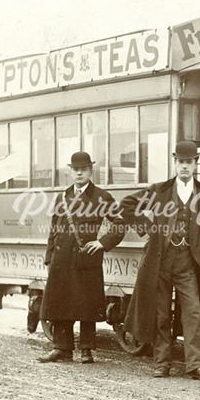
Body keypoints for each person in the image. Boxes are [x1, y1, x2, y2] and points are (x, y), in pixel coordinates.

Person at [118, 140, 200, 381]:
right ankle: (162, 363)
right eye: (181, 162)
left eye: (189, 162)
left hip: (188, 262)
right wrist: (148, 226)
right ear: (175, 163)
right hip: (160, 262)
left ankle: (195, 364)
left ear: (195, 164)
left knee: (193, 312)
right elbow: (126, 205)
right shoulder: (159, 190)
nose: (184, 167)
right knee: (161, 313)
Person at [38, 151, 124, 364]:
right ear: (70, 171)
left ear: (90, 171)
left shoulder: (102, 197)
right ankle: (61, 348)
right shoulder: (63, 197)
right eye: (75, 170)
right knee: (61, 302)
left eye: (83, 170)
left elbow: (120, 224)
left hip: (86, 258)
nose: (79, 173)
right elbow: (54, 228)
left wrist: (102, 243)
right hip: (62, 259)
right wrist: (49, 257)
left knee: (87, 304)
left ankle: (87, 350)